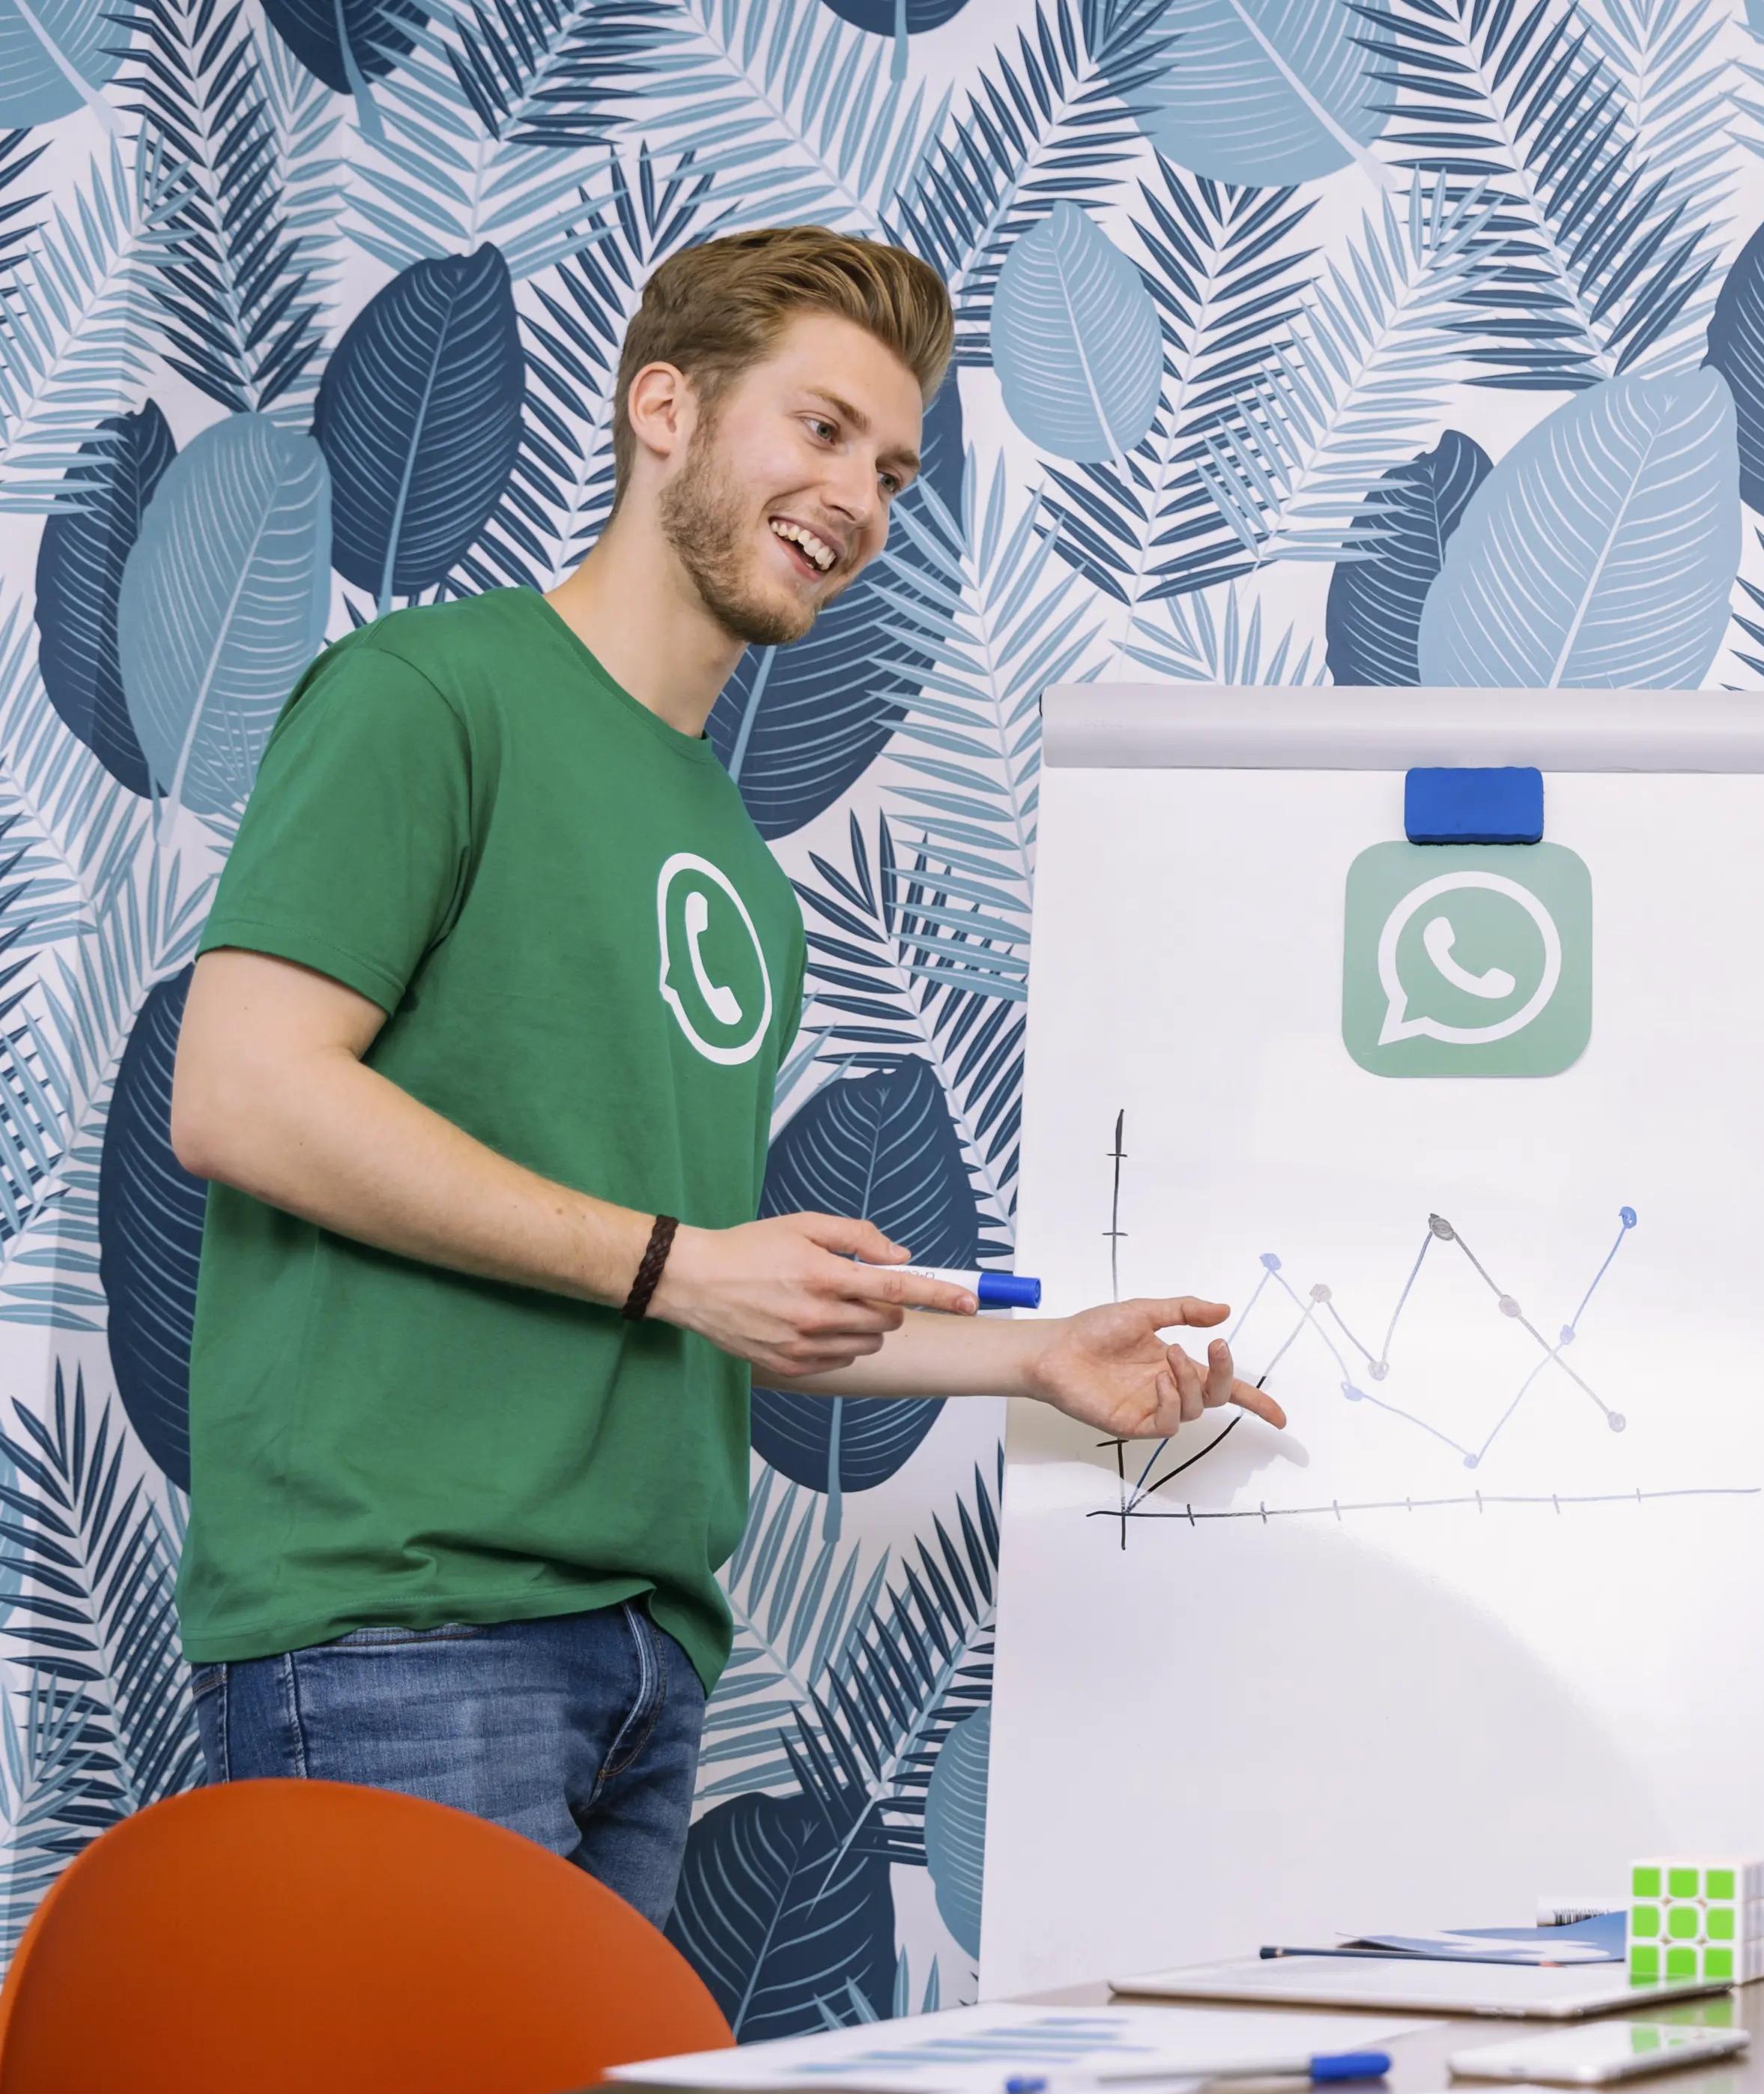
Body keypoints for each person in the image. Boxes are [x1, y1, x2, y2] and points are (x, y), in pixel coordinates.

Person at [168, 228, 1276, 1927]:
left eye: (893, 467)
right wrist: (682, 1265)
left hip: (641, 1663)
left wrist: (1029, 1360)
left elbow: (721, 1293)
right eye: (823, 428)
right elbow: (240, 1094)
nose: (861, 498)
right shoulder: (425, 697)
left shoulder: (736, 864)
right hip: (404, 1639)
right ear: (662, 407)